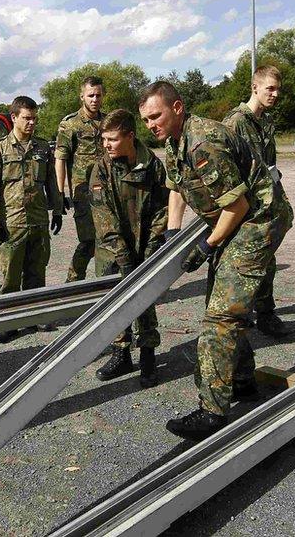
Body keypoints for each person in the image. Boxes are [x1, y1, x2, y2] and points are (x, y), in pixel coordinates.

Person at [139, 81, 290, 441]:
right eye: (145, 120)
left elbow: (237, 206)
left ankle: (212, 412)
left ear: (177, 108)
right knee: (224, 305)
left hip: (257, 222)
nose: (151, 125)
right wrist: (173, 235)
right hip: (236, 221)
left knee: (220, 317)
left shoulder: (203, 141)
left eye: (156, 116)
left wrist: (207, 246)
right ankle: (241, 381)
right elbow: (176, 187)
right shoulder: (174, 141)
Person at [88, 109, 168, 388]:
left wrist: (153, 246)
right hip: (113, 252)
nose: (106, 145)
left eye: (112, 139)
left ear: (130, 136)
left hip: (145, 246)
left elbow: (162, 208)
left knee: (145, 298)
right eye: (103, 140)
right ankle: (121, 353)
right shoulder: (102, 169)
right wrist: (124, 258)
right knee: (114, 302)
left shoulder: (153, 166)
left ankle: (148, 353)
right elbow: (104, 219)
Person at [0, 96, 64, 344]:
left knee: (37, 274)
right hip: (12, 223)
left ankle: (36, 317)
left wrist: (58, 210)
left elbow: (51, 182)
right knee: (10, 278)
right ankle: (8, 323)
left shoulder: (41, 148)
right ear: (14, 118)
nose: (31, 123)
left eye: (34, 118)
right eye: (27, 118)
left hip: (38, 220)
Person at [222, 65, 295, 339]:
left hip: (265, 206)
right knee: (244, 264)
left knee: (267, 261)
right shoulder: (236, 121)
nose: (275, 95)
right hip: (244, 208)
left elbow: (269, 164)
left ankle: (265, 314)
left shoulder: (265, 122)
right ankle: (242, 314)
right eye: (269, 89)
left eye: (278, 90)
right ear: (255, 87)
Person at [55, 76, 112, 281]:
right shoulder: (70, 124)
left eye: (98, 95)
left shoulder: (107, 122)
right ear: (82, 97)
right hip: (83, 193)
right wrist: (60, 193)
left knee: (108, 239)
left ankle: (106, 282)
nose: (95, 99)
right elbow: (60, 159)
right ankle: (72, 281)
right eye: (91, 95)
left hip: (107, 191)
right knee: (88, 241)